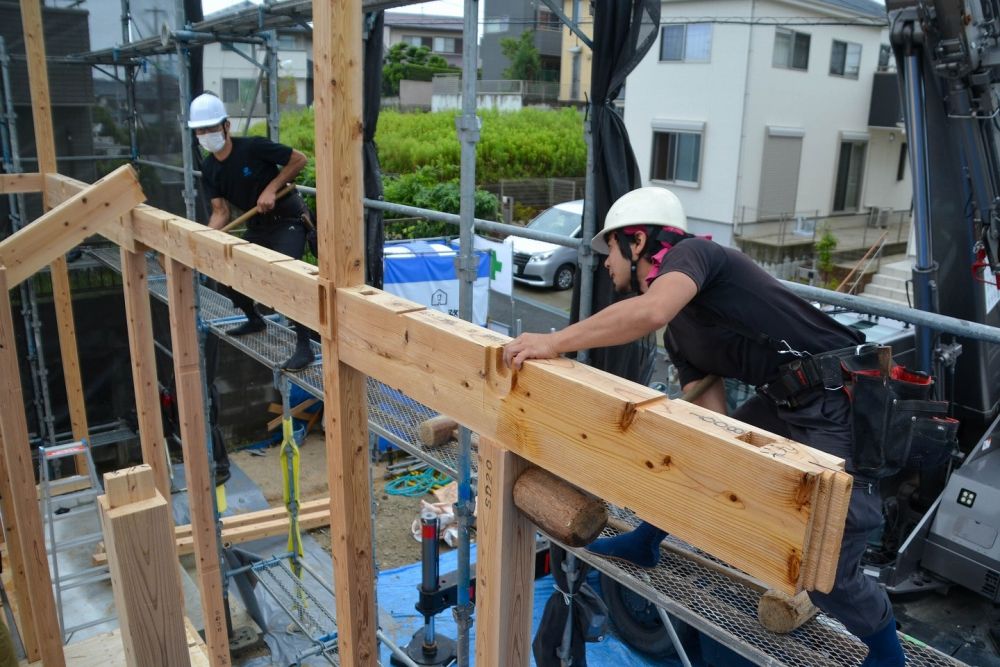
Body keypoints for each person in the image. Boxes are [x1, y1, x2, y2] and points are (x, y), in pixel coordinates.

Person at [503, 187, 905, 667]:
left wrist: (554, 341)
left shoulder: (695, 255)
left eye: (609, 248)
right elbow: (710, 421)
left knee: (830, 565)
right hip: (785, 398)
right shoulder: (678, 334)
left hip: (837, 393)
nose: (605, 264)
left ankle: (886, 652)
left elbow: (649, 310)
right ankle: (648, 539)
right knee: (695, 452)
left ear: (637, 241)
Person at [188, 92, 315, 371]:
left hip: (288, 219)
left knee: (288, 276)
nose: (206, 134)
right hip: (258, 225)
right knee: (227, 268)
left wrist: (272, 188)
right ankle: (253, 318)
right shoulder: (209, 168)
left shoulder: (253, 148)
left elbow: (299, 159)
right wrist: (202, 240)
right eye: (200, 130)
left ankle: (304, 346)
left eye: (211, 128)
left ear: (226, 126)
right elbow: (221, 212)